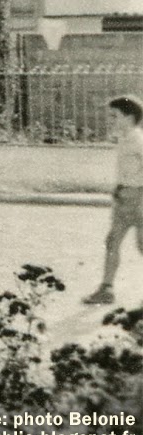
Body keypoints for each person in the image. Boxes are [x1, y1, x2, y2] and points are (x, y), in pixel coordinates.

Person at [82, 95, 143, 305]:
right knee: (112, 242)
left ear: (129, 117)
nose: (110, 120)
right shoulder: (125, 139)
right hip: (123, 198)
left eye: (114, 116)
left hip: (139, 199)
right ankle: (106, 289)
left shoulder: (138, 140)